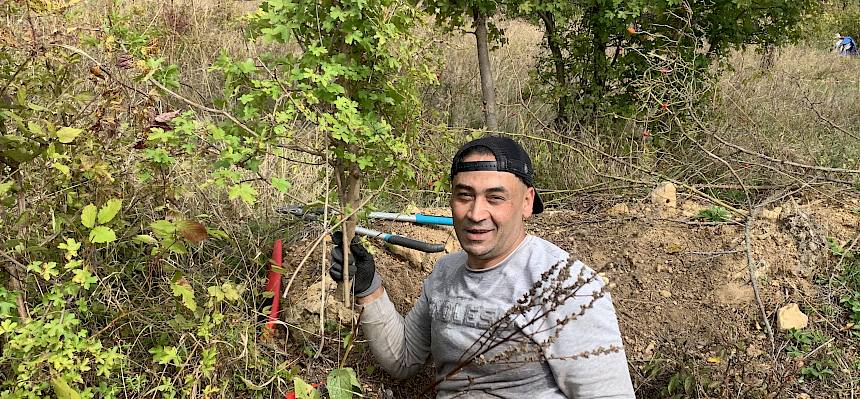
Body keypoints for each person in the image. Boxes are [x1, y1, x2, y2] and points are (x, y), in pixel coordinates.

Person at [330, 136, 635, 398]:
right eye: (465, 196)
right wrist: (369, 289)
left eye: (495, 198)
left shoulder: (567, 285)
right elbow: (404, 359)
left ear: (527, 202)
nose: (476, 213)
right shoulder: (445, 274)